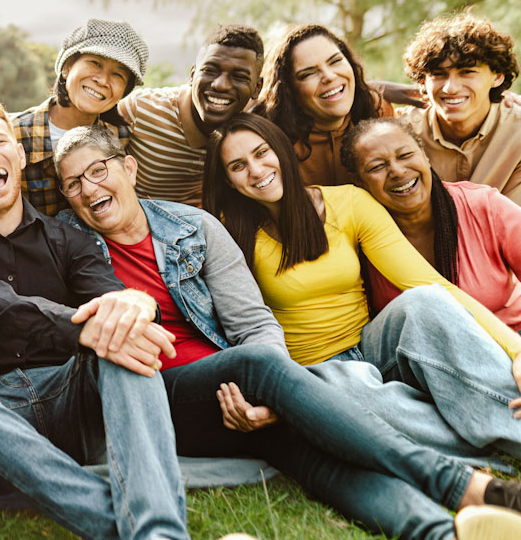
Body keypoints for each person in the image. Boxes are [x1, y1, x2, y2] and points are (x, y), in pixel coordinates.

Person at [54, 123, 521, 540]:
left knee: (317, 458)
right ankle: (464, 485)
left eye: (97, 170)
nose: (87, 188)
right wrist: (266, 382)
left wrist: (263, 402)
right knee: (263, 366)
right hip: (156, 397)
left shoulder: (194, 227)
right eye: (73, 183)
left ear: (130, 168)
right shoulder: (66, 244)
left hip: (236, 391)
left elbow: (253, 324)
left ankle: (442, 532)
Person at [0, 93, 189, 539]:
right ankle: (116, 518)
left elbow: (111, 299)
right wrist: (84, 330)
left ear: (19, 156)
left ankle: (159, 533)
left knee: (122, 339)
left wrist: (135, 306)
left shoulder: (70, 239)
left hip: (70, 399)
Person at [202, 113, 521, 461]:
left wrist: (517, 351)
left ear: (280, 149)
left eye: (262, 152)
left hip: (372, 347)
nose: (256, 169)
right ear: (229, 182)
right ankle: (481, 444)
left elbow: (430, 283)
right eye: (238, 166)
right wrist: (278, 393)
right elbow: (240, 326)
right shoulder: (227, 234)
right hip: (312, 372)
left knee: (424, 300)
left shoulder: (349, 203)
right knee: (353, 394)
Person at [343, 118, 521, 329]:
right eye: (377, 166)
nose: (398, 171)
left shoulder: (484, 206)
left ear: (425, 155)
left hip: (510, 340)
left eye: (405, 155)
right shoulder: (356, 239)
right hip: (421, 357)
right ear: (359, 182)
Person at [113, 24, 263, 206]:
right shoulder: (140, 110)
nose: (221, 85)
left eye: (239, 76)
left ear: (257, 88)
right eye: (210, 70)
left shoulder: (255, 134)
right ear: (192, 75)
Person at [12, 18, 147, 216]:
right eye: (95, 63)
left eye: (118, 75)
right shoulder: (14, 134)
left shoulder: (121, 137)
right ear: (66, 67)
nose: (102, 80)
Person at [395, 12, 521, 204]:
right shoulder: (401, 133)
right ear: (422, 82)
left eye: (467, 72)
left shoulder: (516, 132)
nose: (450, 88)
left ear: (497, 76)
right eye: (438, 74)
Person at [255, 24, 394, 186]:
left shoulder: (378, 110)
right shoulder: (268, 141)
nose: (329, 76)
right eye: (308, 73)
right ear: (289, 89)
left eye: (335, 61)